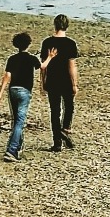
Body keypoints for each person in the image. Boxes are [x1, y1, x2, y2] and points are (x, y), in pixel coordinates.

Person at [0, 31, 44, 163]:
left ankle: (17, 148)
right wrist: (50, 57)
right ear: (29, 44)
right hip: (24, 91)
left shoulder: (12, 59)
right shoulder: (31, 58)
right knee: (20, 122)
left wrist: (0, 94)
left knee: (15, 120)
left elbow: (7, 76)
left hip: (13, 90)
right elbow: (42, 66)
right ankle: (11, 150)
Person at [39, 14, 79, 152]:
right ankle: (65, 129)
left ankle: (57, 142)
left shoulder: (46, 42)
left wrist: (42, 81)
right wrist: (74, 83)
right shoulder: (70, 43)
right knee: (69, 106)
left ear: (55, 25)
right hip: (66, 80)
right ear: (67, 26)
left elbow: (43, 65)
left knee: (55, 110)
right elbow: (71, 66)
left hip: (52, 79)